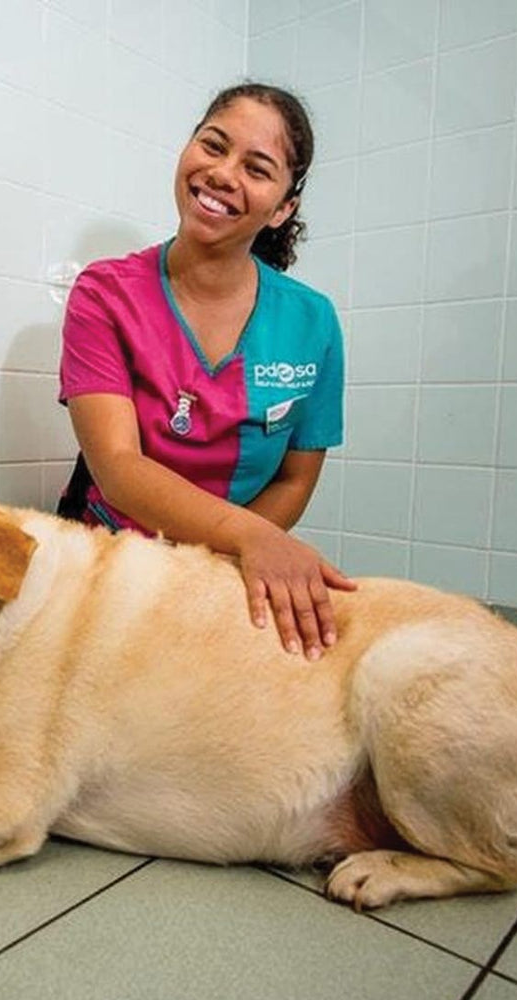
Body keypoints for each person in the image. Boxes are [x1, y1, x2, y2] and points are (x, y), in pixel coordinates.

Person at [57, 82, 354, 661]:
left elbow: (295, 477)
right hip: (108, 560)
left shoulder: (312, 321)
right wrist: (253, 539)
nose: (221, 173)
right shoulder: (104, 293)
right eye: (213, 145)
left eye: (257, 168)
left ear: (283, 209)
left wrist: (223, 564)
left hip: (224, 569)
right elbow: (117, 467)